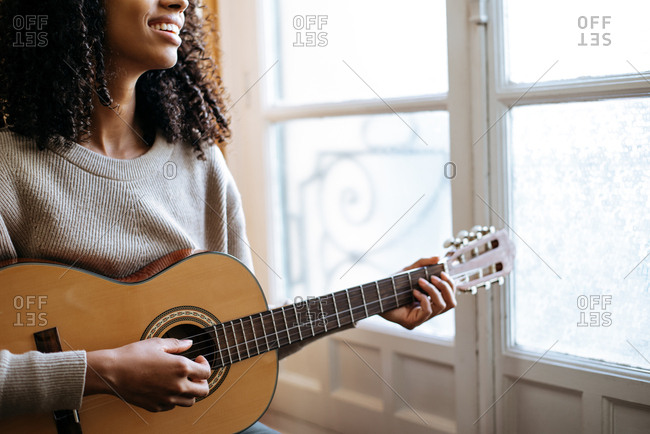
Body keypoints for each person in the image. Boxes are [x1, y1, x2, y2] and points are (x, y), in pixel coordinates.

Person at [0, 0, 457, 432]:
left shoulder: (201, 161)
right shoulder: (9, 166)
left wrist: (372, 304)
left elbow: (235, 339)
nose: (181, 2)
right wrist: (104, 371)